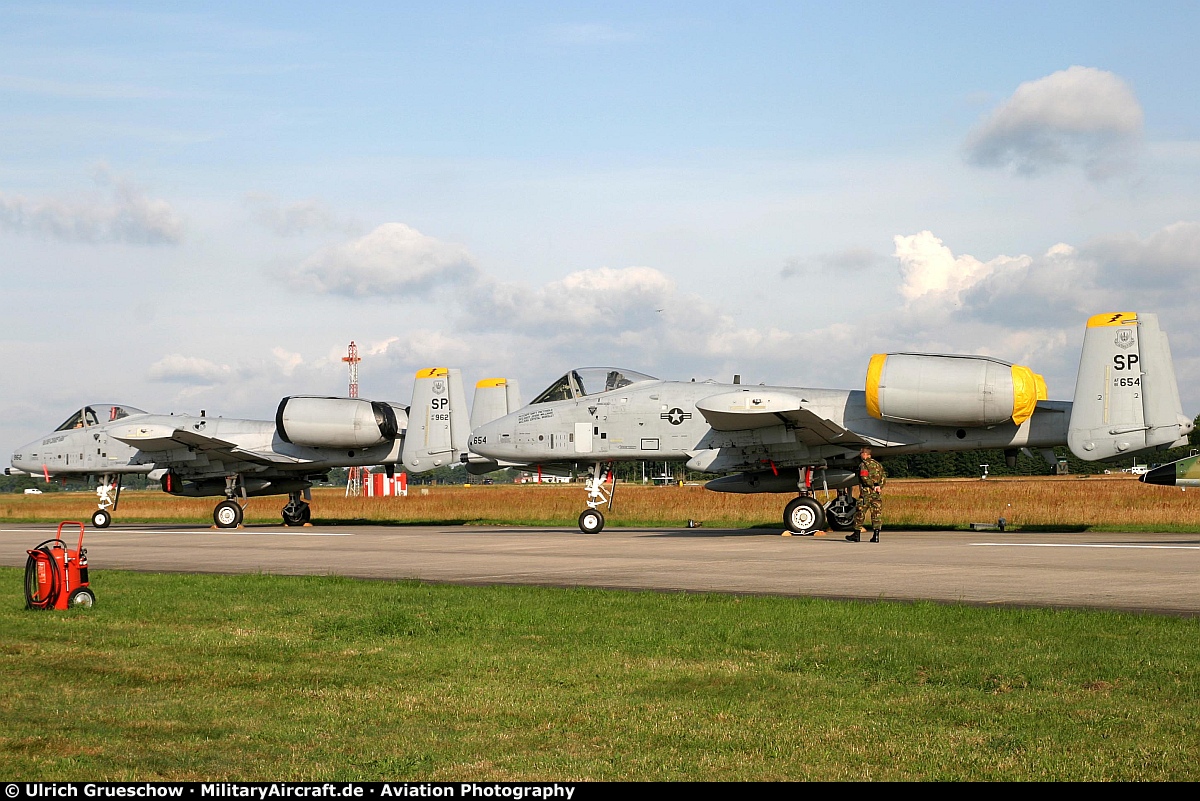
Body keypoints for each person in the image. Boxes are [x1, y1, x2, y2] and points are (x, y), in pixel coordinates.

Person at [847, 445, 885, 543]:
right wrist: (878, 487)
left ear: (865, 454)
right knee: (876, 514)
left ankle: (856, 534)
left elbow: (864, 478)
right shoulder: (878, 465)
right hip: (876, 493)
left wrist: (872, 486)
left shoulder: (864, 465)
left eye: (861, 453)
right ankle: (876, 536)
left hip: (866, 493)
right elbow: (883, 478)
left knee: (860, 512)